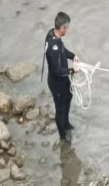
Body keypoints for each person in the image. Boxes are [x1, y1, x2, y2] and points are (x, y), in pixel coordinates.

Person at [43, 11, 79, 142]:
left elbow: (63, 51)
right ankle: (62, 136)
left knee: (68, 97)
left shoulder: (53, 34)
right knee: (60, 109)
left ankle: (67, 123)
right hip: (56, 82)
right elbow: (55, 70)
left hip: (63, 80)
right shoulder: (53, 47)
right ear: (62, 28)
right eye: (67, 27)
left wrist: (73, 56)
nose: (68, 30)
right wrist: (72, 71)